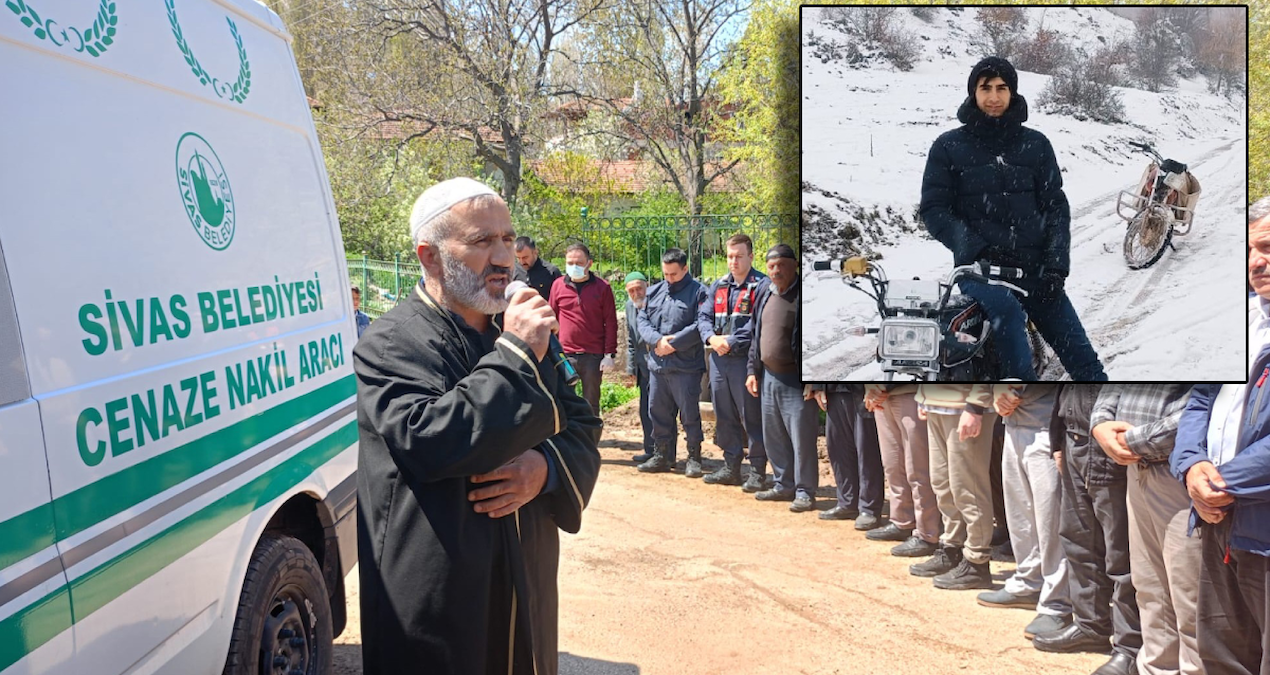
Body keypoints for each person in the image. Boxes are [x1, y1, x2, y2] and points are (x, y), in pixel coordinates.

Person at [353, 177, 601, 675]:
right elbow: (434, 441)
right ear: (430, 256)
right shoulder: (390, 343)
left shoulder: (521, 334)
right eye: (482, 241)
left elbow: (580, 424)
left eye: (508, 239)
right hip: (440, 597)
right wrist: (514, 354)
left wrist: (544, 470)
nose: (504, 257)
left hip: (524, 575)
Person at [919, 55, 1106, 381]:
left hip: (1036, 272)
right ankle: (1021, 399)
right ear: (973, 93)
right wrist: (972, 247)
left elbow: (1056, 208)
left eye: (1002, 88)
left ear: (1013, 92)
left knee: (1085, 364)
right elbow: (935, 209)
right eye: (985, 88)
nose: (994, 97)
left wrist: (1056, 266)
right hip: (981, 273)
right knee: (1007, 312)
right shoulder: (949, 147)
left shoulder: (1036, 145)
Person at [1167, 199, 1270, 675]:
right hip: (1220, 517)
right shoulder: (1242, 318)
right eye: (1249, 250)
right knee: (1223, 657)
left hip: (1256, 520)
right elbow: (1201, 400)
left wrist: (1220, 482)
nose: (1255, 262)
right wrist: (1191, 466)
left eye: (1267, 248)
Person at [1034, 384, 1142, 675]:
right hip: (1074, 439)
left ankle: (1131, 647)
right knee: (1078, 540)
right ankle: (1090, 626)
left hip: (1113, 446)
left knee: (1122, 555)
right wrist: (1057, 441)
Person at [1091, 384, 1198, 675]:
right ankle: (1156, 668)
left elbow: (1201, 408)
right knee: (1150, 589)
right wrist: (1100, 423)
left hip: (1182, 473)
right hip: (1137, 467)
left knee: (1191, 597)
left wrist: (1130, 440)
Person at [981, 385, 1073, 641]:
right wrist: (996, 389)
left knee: (1051, 523)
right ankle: (1028, 583)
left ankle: (1058, 603)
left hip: (1047, 426)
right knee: (1020, 516)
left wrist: (1016, 390)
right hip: (1013, 424)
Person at [747, 244, 818, 512]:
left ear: (794, 265)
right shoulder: (765, 291)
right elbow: (756, 333)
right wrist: (752, 371)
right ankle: (783, 484)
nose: (776, 271)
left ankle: (805, 491)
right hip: (769, 377)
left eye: (782, 265)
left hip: (796, 380)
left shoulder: (805, 295)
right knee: (773, 435)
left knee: (802, 438)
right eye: (772, 266)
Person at [698, 233, 768, 487]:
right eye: (729, 256)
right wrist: (711, 339)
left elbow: (757, 323)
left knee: (750, 415)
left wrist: (730, 341)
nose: (734, 261)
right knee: (724, 413)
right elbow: (703, 317)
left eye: (739, 256)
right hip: (718, 359)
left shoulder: (761, 285)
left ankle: (758, 469)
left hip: (744, 360)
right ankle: (731, 466)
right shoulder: (718, 285)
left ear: (751, 256)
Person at [910, 384, 997, 590]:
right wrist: (924, 395)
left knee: (968, 487)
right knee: (942, 484)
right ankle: (952, 548)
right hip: (937, 402)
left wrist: (976, 404)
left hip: (966, 404)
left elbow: (990, 358)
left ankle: (977, 560)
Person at [636, 248, 709, 476]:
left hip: (685, 367)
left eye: (674, 274)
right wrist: (657, 340)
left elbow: (701, 324)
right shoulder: (655, 291)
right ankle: (662, 456)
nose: (669, 279)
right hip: (658, 366)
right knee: (657, 412)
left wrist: (674, 343)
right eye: (665, 274)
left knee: (689, 415)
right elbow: (642, 319)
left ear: (685, 269)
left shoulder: (699, 293)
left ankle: (694, 458)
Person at [865, 384, 940, 557]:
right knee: (892, 465)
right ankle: (902, 521)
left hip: (913, 392)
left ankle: (927, 533)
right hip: (883, 397)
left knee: (918, 468)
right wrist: (869, 386)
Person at [549, 242, 618, 417]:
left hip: (593, 356)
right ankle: (570, 442)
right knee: (565, 402)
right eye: (570, 263)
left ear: (589, 263)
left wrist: (609, 354)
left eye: (579, 263)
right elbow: (551, 319)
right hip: (565, 355)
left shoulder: (603, 288)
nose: (574, 267)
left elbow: (610, 322)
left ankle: (591, 441)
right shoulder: (558, 286)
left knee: (591, 403)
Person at [812, 384, 885, 529]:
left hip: (863, 392)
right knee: (838, 449)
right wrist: (819, 387)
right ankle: (847, 502)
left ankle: (869, 509)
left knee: (867, 451)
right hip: (833, 392)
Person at [624, 271, 655, 463]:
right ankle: (650, 450)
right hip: (642, 368)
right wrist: (630, 369)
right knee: (645, 410)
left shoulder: (657, 303)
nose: (636, 293)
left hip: (660, 365)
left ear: (647, 286)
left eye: (639, 288)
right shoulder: (629, 306)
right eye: (632, 290)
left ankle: (667, 453)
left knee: (660, 411)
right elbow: (630, 340)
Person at [515, 236, 561, 300]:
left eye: (525, 257)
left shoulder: (552, 272)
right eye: (518, 258)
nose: (522, 262)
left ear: (535, 252)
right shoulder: (513, 271)